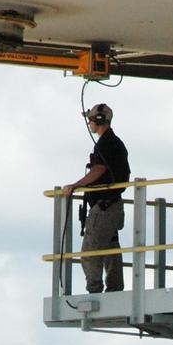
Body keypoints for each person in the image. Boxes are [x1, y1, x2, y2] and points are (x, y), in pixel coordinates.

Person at [62, 103, 130, 294]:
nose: (89, 123)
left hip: (105, 207)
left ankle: (95, 291)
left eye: (90, 119)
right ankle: (115, 289)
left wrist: (76, 185)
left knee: (90, 251)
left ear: (99, 120)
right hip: (113, 206)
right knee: (109, 249)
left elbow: (99, 169)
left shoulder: (106, 143)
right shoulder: (114, 142)